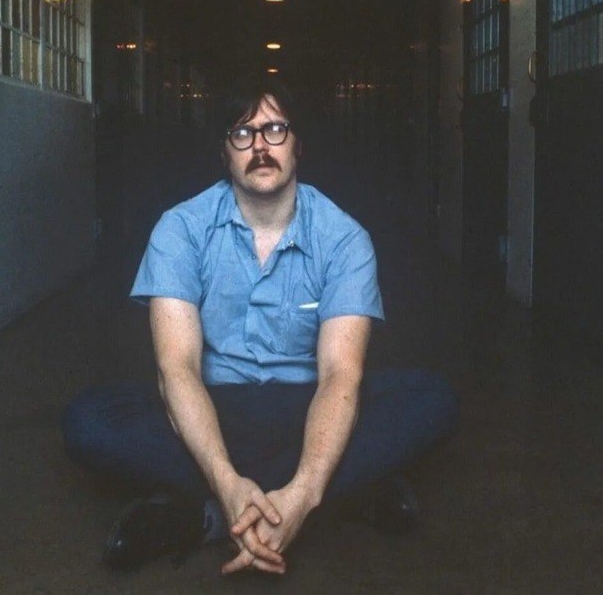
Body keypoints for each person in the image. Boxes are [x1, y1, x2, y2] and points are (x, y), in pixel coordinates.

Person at [62, 77, 458, 575]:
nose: (261, 147)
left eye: (275, 129)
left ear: (297, 145)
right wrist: (227, 479)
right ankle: (334, 495)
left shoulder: (344, 238)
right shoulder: (180, 229)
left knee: (430, 399)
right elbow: (176, 369)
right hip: (214, 408)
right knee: (89, 420)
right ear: (224, 152)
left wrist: (304, 489)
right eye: (242, 134)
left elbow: (340, 375)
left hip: (306, 409)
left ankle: (218, 514)